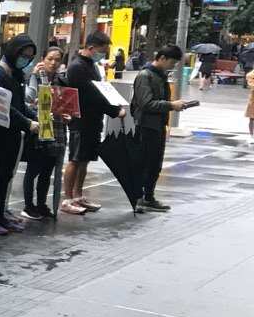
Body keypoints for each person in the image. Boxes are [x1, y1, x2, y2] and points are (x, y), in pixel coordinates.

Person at [61, 30, 125, 215]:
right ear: (90, 48)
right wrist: (114, 110)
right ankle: (67, 199)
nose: (102, 55)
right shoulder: (77, 67)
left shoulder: (92, 66)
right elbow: (91, 95)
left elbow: (100, 91)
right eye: (102, 51)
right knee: (75, 158)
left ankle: (78, 195)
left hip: (93, 120)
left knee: (85, 159)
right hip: (80, 120)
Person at [0, 34, 38, 235]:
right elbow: (1, 106)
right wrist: (28, 122)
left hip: (13, 133)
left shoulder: (16, 74)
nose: (26, 60)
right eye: (24, 55)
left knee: (5, 175)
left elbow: (20, 105)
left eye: (30, 57)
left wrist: (36, 118)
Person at [131, 45, 194, 211]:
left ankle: (148, 197)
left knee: (155, 163)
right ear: (162, 58)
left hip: (158, 125)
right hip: (146, 126)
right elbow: (146, 103)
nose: (172, 66)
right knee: (144, 163)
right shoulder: (145, 76)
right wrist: (171, 105)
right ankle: (138, 198)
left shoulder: (160, 75)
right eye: (172, 63)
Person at [21, 46, 67, 220]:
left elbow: (65, 104)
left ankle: (41, 204)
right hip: (39, 128)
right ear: (43, 59)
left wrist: (66, 113)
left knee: (48, 170)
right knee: (34, 169)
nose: (53, 63)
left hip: (57, 128)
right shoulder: (35, 77)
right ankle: (28, 205)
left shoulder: (62, 81)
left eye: (57, 59)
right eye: (50, 59)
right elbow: (26, 100)